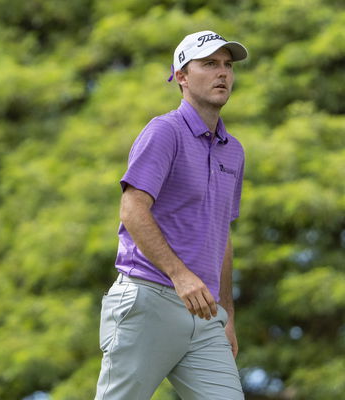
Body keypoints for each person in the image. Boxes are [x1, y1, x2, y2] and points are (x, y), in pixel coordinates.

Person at [95, 30, 249, 399]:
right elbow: (132, 209)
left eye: (227, 65)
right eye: (209, 64)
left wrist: (226, 315)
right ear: (181, 75)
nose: (223, 74)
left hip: (206, 315)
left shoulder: (235, 151)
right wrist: (180, 276)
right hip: (149, 298)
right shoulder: (164, 132)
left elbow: (221, 235)